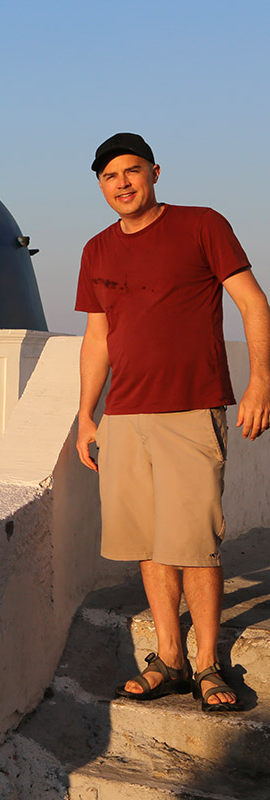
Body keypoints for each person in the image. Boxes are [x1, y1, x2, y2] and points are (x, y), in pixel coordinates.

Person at [75, 132, 270, 712]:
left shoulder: (201, 225)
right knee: (148, 545)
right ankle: (171, 659)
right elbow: (97, 337)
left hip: (191, 408)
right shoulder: (97, 249)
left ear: (155, 172)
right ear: (101, 186)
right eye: (110, 177)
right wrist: (87, 414)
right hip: (125, 414)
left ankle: (210, 664)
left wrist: (260, 380)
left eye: (132, 171)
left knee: (194, 546)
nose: (123, 184)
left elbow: (253, 303)